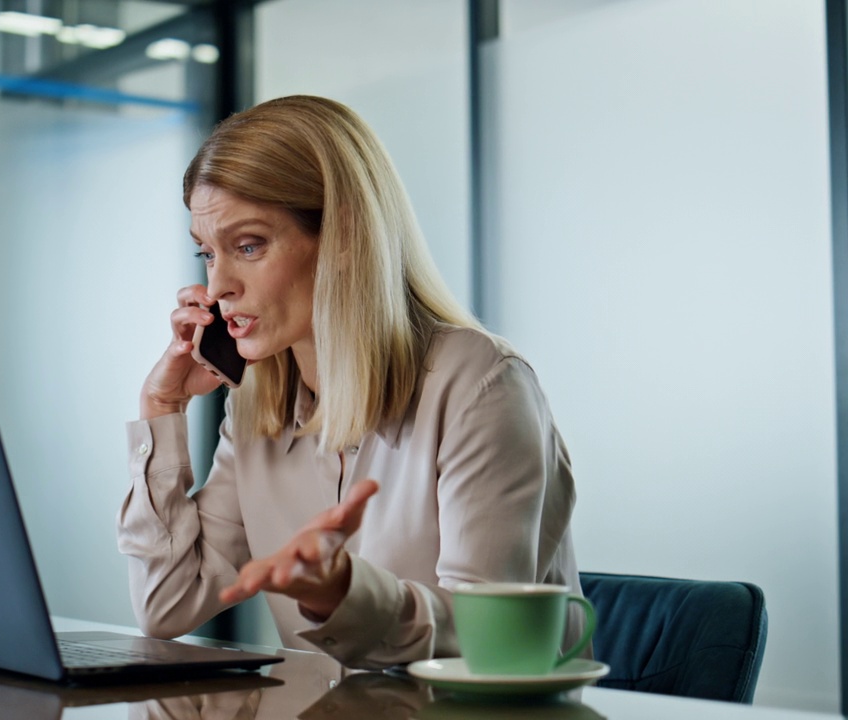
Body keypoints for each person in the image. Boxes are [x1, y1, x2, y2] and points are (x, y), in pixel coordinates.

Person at [117, 95, 584, 669]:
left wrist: (345, 594)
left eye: (248, 246)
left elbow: (486, 638)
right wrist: (161, 410)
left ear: (342, 239)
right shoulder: (257, 405)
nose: (217, 289)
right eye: (207, 254)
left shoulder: (480, 385)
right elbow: (167, 606)